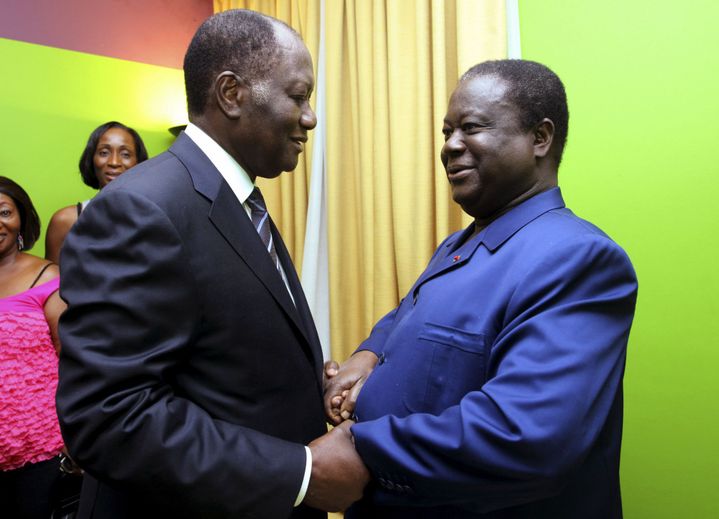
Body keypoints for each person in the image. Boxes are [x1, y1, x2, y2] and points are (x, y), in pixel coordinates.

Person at [56, 9, 366, 519]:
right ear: (231, 93)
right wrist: (300, 474)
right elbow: (110, 416)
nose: (310, 116)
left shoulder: (238, 200)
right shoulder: (141, 208)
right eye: (298, 95)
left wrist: (309, 377)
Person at [324, 60, 638, 518]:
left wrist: (361, 447)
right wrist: (368, 355)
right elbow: (409, 317)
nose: (450, 146)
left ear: (540, 138)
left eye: (470, 128)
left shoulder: (577, 259)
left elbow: (527, 437)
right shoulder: (459, 242)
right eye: (446, 131)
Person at [0, 176, 67, 518]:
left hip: (41, 450)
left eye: (4, 212)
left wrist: (77, 437)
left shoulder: (47, 276)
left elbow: (71, 357)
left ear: (21, 219)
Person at [44, 121, 148, 263]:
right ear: (91, 159)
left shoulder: (153, 218)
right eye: (104, 153)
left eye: (125, 154)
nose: (114, 162)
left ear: (139, 162)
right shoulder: (66, 221)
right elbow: (53, 283)